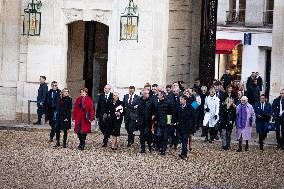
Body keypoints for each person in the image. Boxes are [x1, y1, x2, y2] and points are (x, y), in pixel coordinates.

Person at [156, 91, 174, 155]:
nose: (157, 96)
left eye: (158, 95)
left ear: (162, 96)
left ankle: (163, 149)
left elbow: (172, 112)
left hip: (167, 122)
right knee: (159, 135)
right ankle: (160, 147)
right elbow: (157, 112)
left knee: (165, 136)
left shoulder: (169, 102)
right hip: (160, 121)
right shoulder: (158, 103)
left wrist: (171, 122)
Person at [177, 95, 195, 159]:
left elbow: (193, 117)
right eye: (180, 99)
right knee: (182, 140)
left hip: (187, 127)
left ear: (185, 100)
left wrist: (192, 127)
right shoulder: (179, 107)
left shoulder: (190, 107)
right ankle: (183, 153)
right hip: (180, 126)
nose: (180, 100)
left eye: (181, 99)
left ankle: (184, 154)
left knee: (185, 140)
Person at [137, 89, 153, 153]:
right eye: (145, 93)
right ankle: (142, 148)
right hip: (141, 120)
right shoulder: (139, 100)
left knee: (147, 134)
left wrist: (153, 115)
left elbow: (154, 109)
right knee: (142, 135)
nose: (147, 94)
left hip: (148, 121)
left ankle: (149, 146)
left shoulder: (151, 101)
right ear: (143, 94)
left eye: (148, 93)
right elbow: (137, 109)